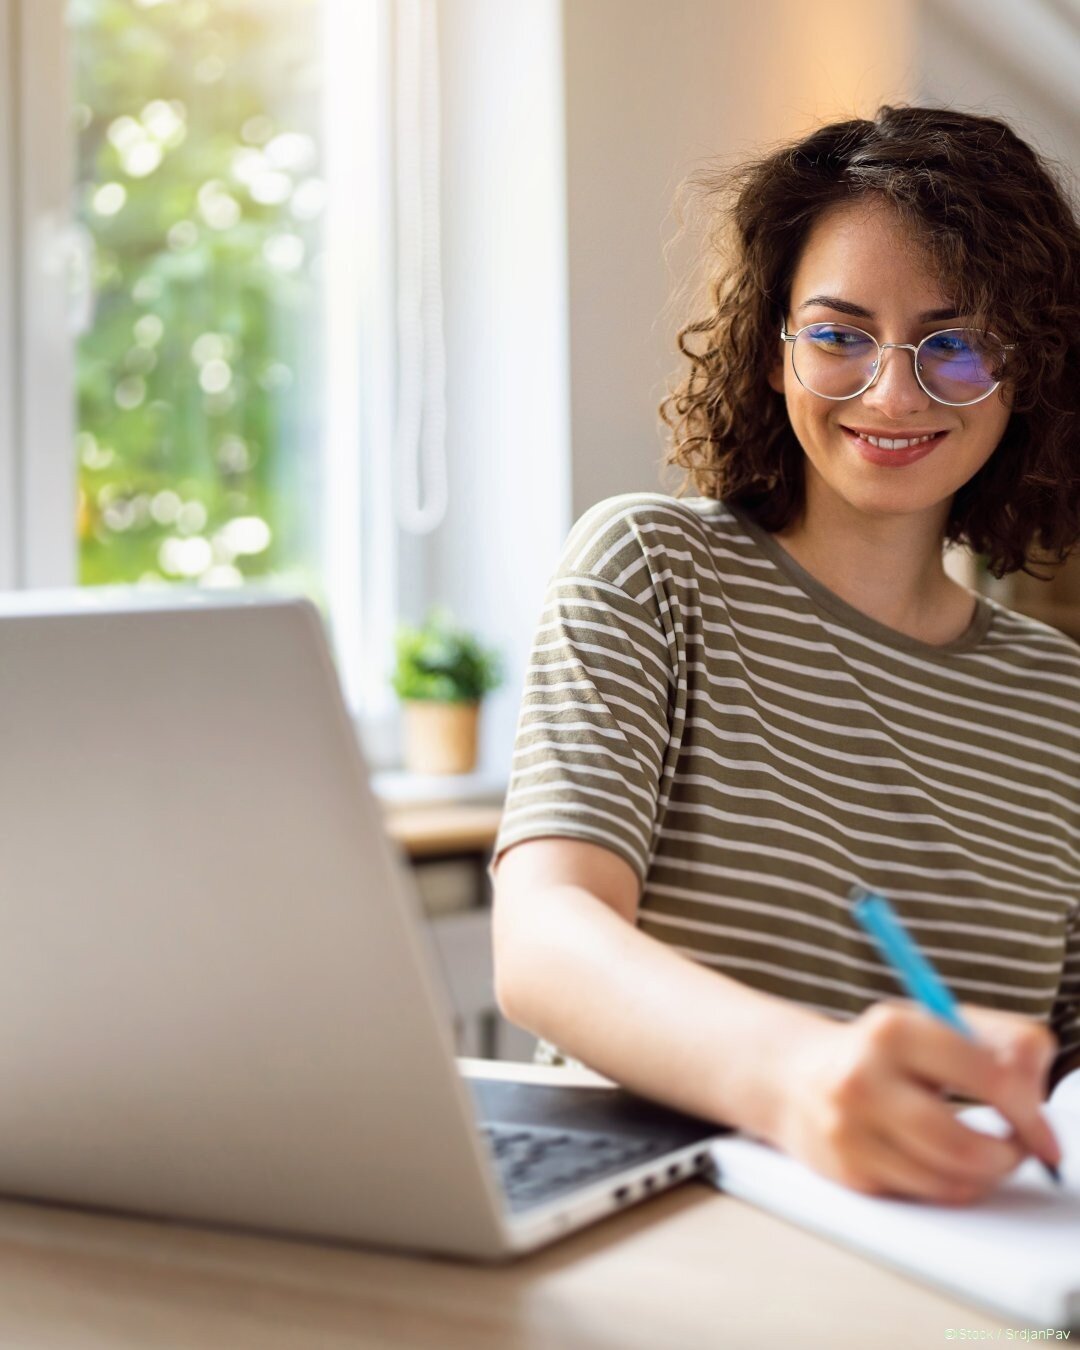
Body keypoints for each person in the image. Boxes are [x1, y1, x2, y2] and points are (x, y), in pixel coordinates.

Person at [488, 105, 1080, 1206]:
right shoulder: (653, 570)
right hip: (655, 1226)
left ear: (1025, 370)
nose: (893, 393)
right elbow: (544, 940)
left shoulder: (1062, 703)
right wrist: (797, 1076)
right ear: (773, 351)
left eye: (953, 344)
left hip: (958, 1251)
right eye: (840, 334)